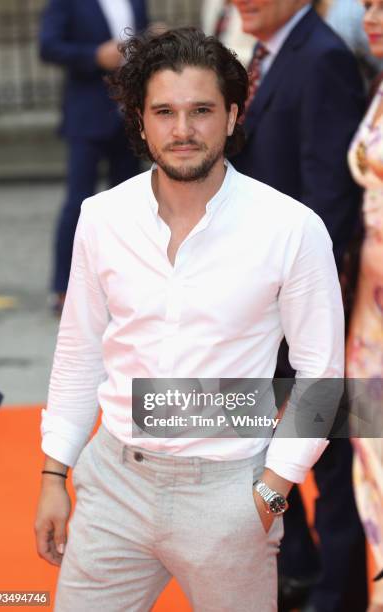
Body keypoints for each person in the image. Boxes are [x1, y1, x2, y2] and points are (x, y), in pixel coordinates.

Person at [34, 27, 345, 612]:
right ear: (141, 120)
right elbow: (79, 352)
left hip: (230, 492)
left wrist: (272, 492)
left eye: (201, 110)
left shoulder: (291, 228)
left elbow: (321, 375)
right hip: (112, 485)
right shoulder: (102, 218)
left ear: (231, 115)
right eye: (165, 112)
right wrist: (56, 475)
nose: (182, 130)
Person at [230, 1, 367, 611]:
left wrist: (293, 301)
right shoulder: (270, 52)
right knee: (264, 440)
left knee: (327, 452)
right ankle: (300, 569)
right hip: (265, 297)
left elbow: (327, 200)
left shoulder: (321, 58)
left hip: (305, 299)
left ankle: (334, 593)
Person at [39, 0, 148, 313]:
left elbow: (136, 41)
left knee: (133, 205)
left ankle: (129, 283)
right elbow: (48, 46)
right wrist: (94, 56)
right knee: (78, 202)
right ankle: (63, 287)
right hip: (87, 114)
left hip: (128, 116)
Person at [347, 1, 383, 610]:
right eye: (366, 4)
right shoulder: (379, 83)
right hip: (368, 306)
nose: (369, 16)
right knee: (369, 443)